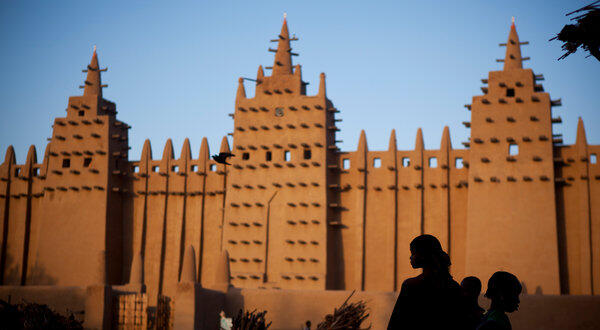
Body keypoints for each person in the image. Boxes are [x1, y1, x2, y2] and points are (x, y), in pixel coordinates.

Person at [387, 234, 466, 329]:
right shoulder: (453, 286)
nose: (410, 257)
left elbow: (396, 323)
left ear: (423, 255)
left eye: (413, 253)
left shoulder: (411, 285)